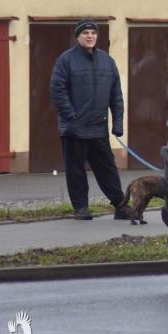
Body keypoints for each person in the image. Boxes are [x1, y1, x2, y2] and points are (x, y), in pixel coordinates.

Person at [50, 19, 130, 221]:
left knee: (108, 169)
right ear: (78, 36)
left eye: (93, 33)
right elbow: (57, 91)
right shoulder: (66, 60)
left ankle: (120, 207)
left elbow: (116, 95)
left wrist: (117, 123)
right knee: (76, 170)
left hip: (98, 127)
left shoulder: (107, 61)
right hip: (74, 128)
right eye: (85, 33)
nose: (90, 36)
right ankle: (81, 209)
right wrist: (72, 115)